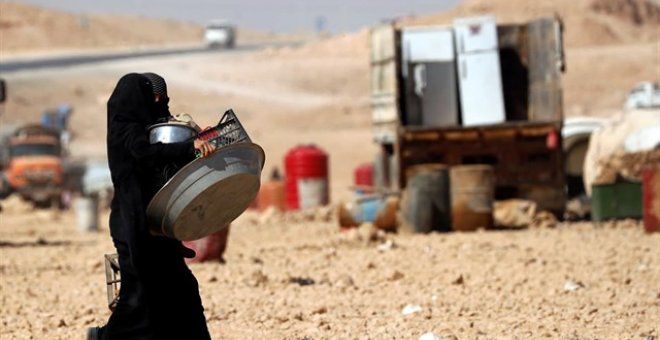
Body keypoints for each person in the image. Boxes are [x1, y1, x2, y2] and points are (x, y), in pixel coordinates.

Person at [88, 73, 215, 340]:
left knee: (181, 289)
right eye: (154, 95)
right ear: (139, 97)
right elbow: (146, 154)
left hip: (152, 222)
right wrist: (189, 148)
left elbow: (165, 166)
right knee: (139, 296)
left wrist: (200, 139)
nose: (159, 101)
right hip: (132, 224)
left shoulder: (146, 126)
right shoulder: (127, 129)